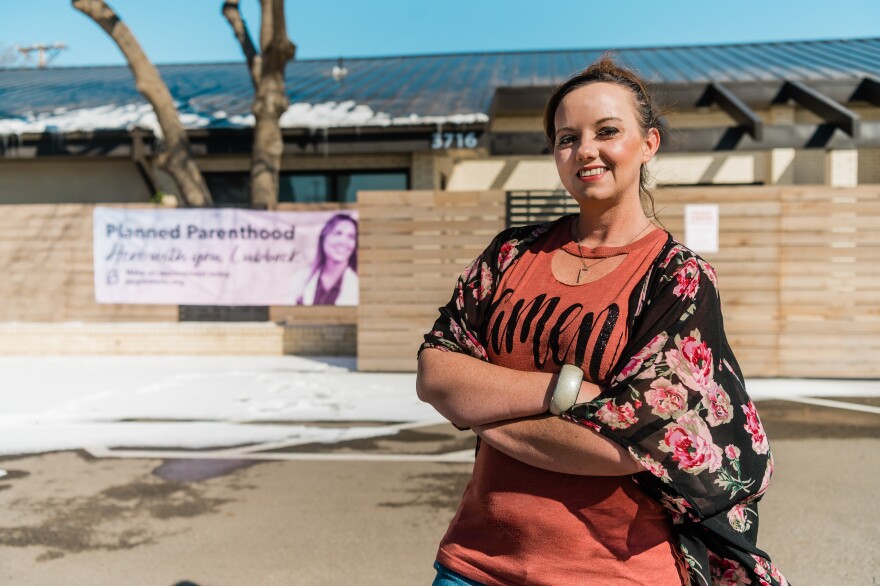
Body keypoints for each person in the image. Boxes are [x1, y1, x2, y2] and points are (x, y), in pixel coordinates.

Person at [417, 56, 787, 586]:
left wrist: (480, 410)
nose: (585, 149)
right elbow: (435, 373)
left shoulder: (676, 277)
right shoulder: (510, 254)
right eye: (567, 138)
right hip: (475, 563)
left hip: (617, 572)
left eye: (606, 131)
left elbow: (627, 446)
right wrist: (563, 390)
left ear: (648, 144)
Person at [294, 213, 358, 306]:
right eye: (338, 233)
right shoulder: (300, 279)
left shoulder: (357, 284)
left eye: (351, 237)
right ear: (323, 238)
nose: (343, 242)